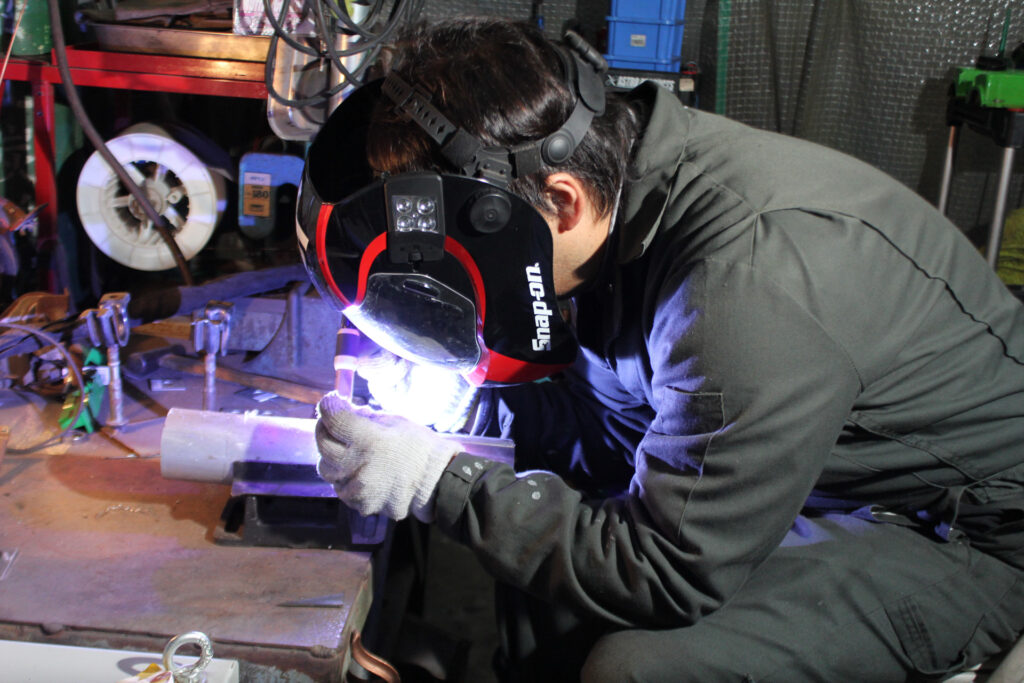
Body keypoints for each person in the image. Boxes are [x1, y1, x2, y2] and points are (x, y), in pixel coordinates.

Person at [299, 17, 1024, 682]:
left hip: (959, 532)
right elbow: (616, 428)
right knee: (539, 554)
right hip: (817, 480)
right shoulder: (626, 197)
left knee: (636, 669)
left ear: (561, 202)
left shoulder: (741, 285)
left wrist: (437, 481)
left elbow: (669, 568)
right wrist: (472, 410)